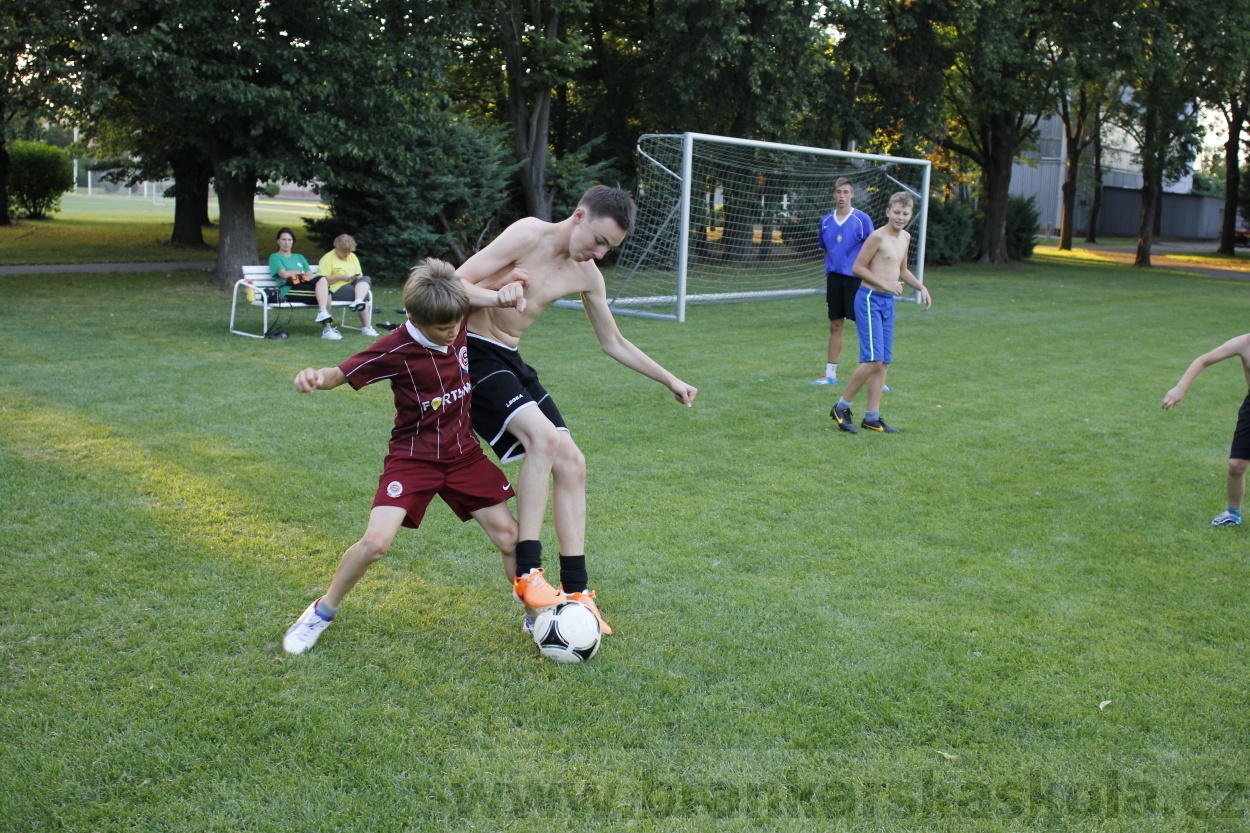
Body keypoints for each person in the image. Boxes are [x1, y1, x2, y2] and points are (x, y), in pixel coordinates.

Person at [457, 185, 698, 635]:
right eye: (599, 240)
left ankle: (577, 593)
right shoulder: (527, 235)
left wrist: (670, 379)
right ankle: (528, 574)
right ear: (579, 216)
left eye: (609, 248)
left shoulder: (588, 274)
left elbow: (614, 342)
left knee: (573, 462)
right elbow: (451, 284)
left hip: (509, 359)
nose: (599, 254)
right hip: (471, 353)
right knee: (544, 441)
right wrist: (496, 292)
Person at [282, 258, 529, 655]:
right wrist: (315, 375)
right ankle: (321, 612)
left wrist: (505, 290)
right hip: (413, 459)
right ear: (414, 316)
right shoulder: (394, 348)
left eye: (456, 326)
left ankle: (536, 618)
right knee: (376, 543)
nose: (453, 334)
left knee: (511, 538)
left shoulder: (454, 310)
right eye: (444, 329)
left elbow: (473, 290)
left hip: (463, 453)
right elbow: (341, 373)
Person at [831, 191, 932, 434]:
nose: (900, 217)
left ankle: (872, 417)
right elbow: (857, 267)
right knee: (873, 359)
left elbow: (902, 270)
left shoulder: (905, 237)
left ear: (910, 215)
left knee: (884, 361)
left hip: (888, 302)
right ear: (888, 211)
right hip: (868, 299)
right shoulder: (877, 237)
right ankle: (841, 407)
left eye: (905, 213)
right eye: (896, 212)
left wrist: (921, 286)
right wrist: (885, 284)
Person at [1162, 333, 1250, 526]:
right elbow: (1204, 360)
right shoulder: (1244, 343)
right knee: (1236, 466)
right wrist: (1180, 388)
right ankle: (1233, 514)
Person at [811, 177, 874, 386]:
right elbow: (826, 250)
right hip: (835, 280)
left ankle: (875, 373)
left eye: (846, 192)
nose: (842, 196)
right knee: (835, 324)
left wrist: (870, 279)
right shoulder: (826, 221)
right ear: (833, 194)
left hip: (857, 280)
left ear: (852, 195)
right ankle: (830, 374)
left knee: (865, 326)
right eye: (838, 192)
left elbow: (872, 251)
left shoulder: (862, 220)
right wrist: (829, 272)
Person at [268, 227, 339, 340]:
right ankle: (327, 330)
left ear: (293, 242)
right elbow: (284, 275)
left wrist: (295, 275)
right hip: (288, 290)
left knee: (322, 281)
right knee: (326, 295)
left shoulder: (299, 257)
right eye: (283, 239)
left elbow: (310, 276)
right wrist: (300, 272)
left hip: (303, 286)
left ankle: (324, 317)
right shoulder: (275, 257)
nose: (287, 243)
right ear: (278, 241)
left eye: (289, 240)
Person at [317, 234, 379, 338]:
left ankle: (358, 301)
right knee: (364, 295)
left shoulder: (352, 256)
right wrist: (340, 277)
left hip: (351, 283)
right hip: (335, 287)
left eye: (349, 251)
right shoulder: (327, 258)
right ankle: (366, 327)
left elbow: (359, 274)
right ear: (337, 247)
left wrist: (356, 277)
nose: (347, 254)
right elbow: (323, 280)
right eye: (344, 252)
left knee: (366, 279)